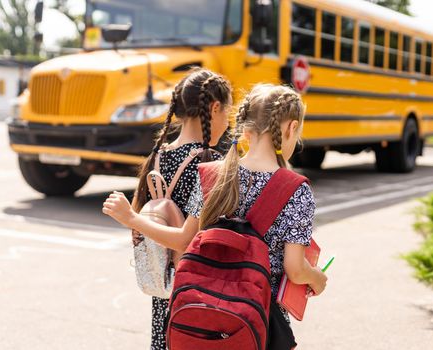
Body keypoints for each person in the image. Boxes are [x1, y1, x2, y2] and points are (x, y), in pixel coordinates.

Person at [104, 84, 327, 344]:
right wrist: (318, 277)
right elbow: (296, 269)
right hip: (261, 322)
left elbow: (186, 241)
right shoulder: (296, 189)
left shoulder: (211, 174)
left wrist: (132, 219)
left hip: (203, 313)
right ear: (290, 128)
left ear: (245, 129)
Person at [109, 68, 232, 350]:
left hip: (165, 286)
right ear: (214, 108)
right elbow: (189, 238)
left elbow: (142, 222)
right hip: (198, 287)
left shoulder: (157, 156)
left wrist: (132, 218)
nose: (227, 122)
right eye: (227, 112)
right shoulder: (210, 163)